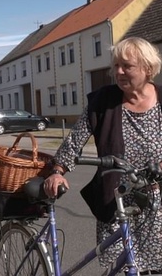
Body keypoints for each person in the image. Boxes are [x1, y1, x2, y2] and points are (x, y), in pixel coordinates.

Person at [44, 37, 162, 275]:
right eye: (116, 65)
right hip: (117, 200)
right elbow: (74, 141)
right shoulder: (102, 102)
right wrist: (57, 172)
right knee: (122, 268)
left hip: (157, 203)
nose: (118, 71)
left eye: (126, 66)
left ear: (147, 68)